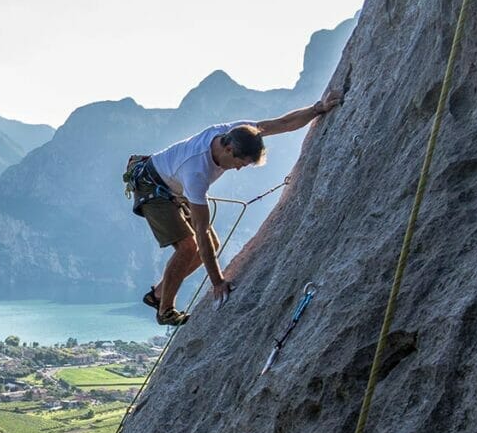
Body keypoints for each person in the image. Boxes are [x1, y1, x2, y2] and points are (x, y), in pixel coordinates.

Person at [132, 91, 342, 326]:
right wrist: (217, 282)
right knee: (189, 246)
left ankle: (159, 294)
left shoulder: (237, 132)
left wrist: (317, 108)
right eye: (239, 164)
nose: (239, 169)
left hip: (172, 184)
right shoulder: (196, 172)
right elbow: (200, 234)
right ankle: (165, 311)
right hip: (152, 187)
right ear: (229, 150)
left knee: (213, 245)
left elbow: (281, 123)